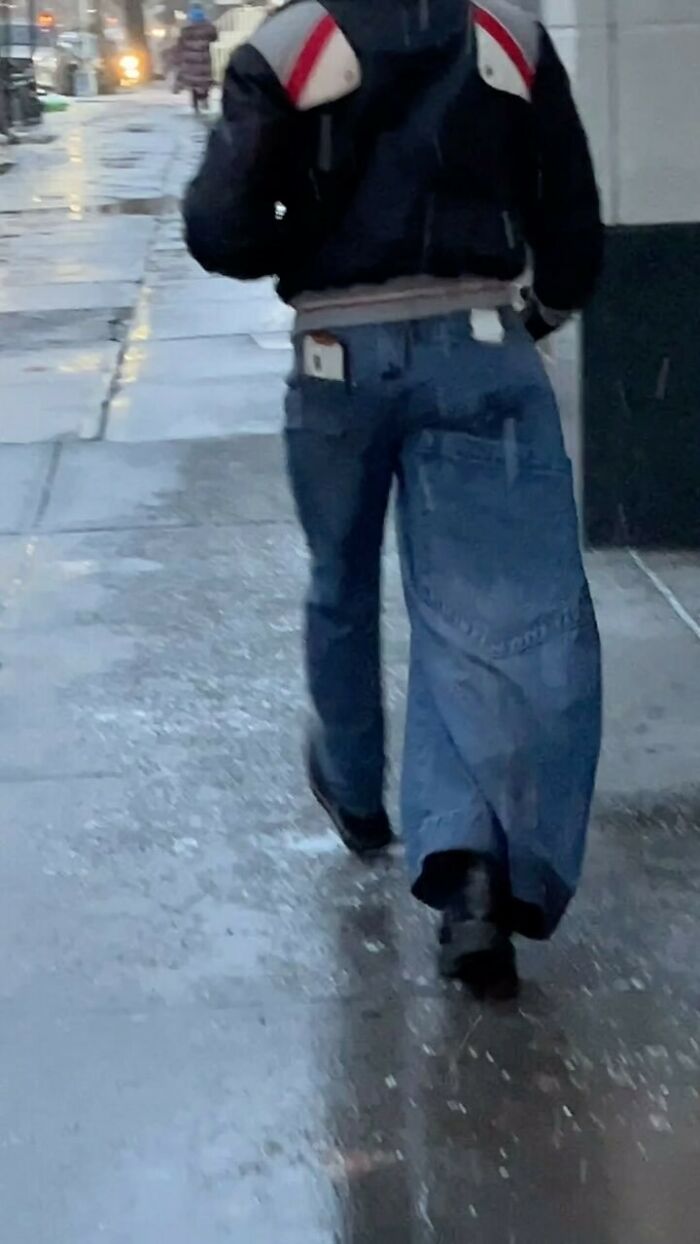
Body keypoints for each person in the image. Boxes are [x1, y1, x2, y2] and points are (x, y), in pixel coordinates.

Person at [184, 0, 603, 999]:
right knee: (482, 608)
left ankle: (359, 794)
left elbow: (219, 227)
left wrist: (301, 236)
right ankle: (471, 872)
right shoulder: (509, 36)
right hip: (479, 345)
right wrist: (536, 306)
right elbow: (571, 217)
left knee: (340, 580)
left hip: (336, 354)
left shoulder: (291, 45)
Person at [175, 4, 217, 113]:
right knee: (204, 81)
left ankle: (195, 105)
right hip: (204, 59)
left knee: (193, 83)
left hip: (190, 61)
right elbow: (214, 37)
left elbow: (180, 43)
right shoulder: (208, 28)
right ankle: (204, 99)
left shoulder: (186, 29)